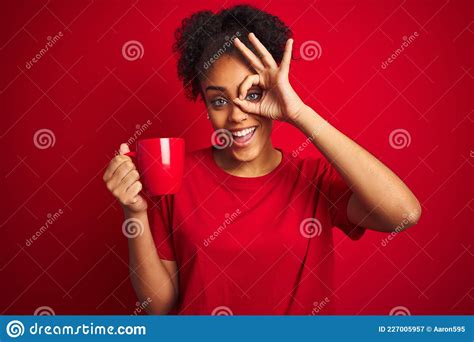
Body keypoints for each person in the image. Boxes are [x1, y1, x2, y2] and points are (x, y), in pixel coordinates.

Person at [103, 5, 421, 315]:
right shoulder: (176, 179)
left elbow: (404, 214)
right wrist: (135, 214)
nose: (237, 115)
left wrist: (298, 114)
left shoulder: (314, 179)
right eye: (219, 100)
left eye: (252, 94)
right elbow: (158, 307)